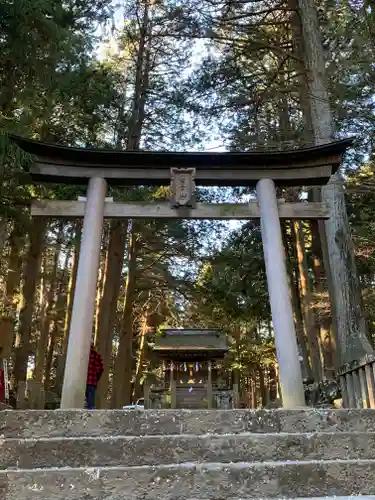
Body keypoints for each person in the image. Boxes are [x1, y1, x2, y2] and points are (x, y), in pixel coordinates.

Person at [86, 343, 104, 409]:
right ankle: (91, 410)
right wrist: (96, 378)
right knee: (90, 401)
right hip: (92, 381)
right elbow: (101, 369)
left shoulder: (82, 354)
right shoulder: (97, 355)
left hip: (81, 381)